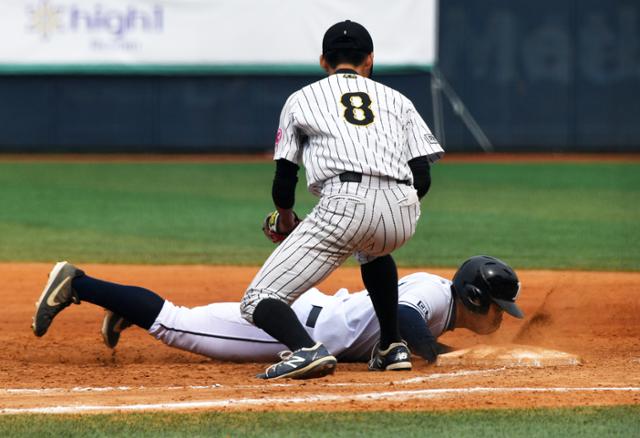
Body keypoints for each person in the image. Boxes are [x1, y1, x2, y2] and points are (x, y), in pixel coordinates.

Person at [238, 20, 444, 379]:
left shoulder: (302, 98)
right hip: (402, 210)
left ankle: (306, 350)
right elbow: (422, 175)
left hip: (344, 203)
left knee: (258, 299)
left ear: (323, 61)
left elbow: (285, 178)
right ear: (369, 60)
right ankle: (392, 346)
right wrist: (396, 204)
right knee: (374, 248)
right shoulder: (398, 100)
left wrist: (285, 220)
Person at [31, 256, 523, 366]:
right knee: (175, 324)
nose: (501, 317)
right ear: (475, 298)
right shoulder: (436, 296)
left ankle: (126, 306)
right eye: (499, 309)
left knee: (182, 315)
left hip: (311, 311)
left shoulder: (438, 294)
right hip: (299, 330)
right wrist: (437, 354)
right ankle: (78, 283)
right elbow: (409, 318)